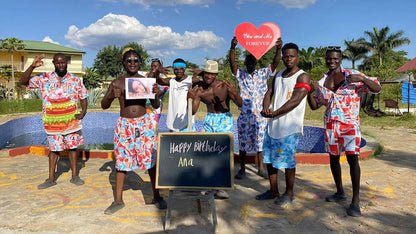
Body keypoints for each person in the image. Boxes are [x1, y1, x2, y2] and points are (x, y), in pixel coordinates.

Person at [307, 46, 381, 217]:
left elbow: (376, 88)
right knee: (333, 159)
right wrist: (311, 91)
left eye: (335, 59)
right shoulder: (322, 81)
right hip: (331, 124)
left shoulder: (352, 75)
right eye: (328, 59)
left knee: (352, 160)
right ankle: (340, 192)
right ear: (325, 60)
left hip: (349, 125)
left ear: (341, 59)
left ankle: (355, 201)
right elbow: (315, 106)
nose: (331, 61)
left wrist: (362, 79)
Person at [101, 48, 166, 215]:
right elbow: (104, 105)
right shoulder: (117, 82)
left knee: (151, 161)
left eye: (135, 60)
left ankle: (156, 196)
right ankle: (118, 200)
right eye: (129, 60)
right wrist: (111, 96)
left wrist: (156, 95)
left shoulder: (146, 81)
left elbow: (156, 105)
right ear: (123, 62)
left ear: (139, 63)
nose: (132, 63)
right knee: (121, 163)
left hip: (144, 124)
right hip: (125, 125)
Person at [20, 53, 88, 189]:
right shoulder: (44, 78)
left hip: (71, 122)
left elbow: (83, 96)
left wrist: (83, 112)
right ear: (54, 63)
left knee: (72, 148)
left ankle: (75, 176)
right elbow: (23, 82)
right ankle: (51, 179)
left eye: (63, 62)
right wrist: (32, 66)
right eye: (58, 63)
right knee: (54, 150)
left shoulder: (75, 80)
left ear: (66, 63)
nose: (60, 65)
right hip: (52, 123)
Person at [256, 43, 310, 205]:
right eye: (285, 56)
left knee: (287, 162)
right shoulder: (278, 75)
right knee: (269, 159)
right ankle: (273, 190)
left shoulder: (302, 76)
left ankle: (289, 192)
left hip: (289, 127)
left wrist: (274, 113)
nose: (288, 59)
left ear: (297, 57)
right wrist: (265, 108)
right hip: (273, 125)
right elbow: (269, 92)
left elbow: (296, 100)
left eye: (291, 56)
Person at [187, 60, 243, 199]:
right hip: (209, 119)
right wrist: (190, 99)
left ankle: (222, 187)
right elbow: (193, 111)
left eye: (212, 74)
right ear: (203, 73)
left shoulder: (224, 86)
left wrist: (235, 94)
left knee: (223, 153)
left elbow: (240, 104)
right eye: (207, 74)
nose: (209, 77)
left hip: (224, 119)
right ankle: (210, 183)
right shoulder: (200, 89)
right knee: (206, 151)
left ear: (216, 74)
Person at [229, 36, 283, 179]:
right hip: (245, 115)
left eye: (253, 61)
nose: (250, 64)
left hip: (260, 115)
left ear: (256, 62)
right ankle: (242, 170)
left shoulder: (262, 74)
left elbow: (275, 63)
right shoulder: (241, 75)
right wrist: (233, 48)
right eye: (248, 62)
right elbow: (232, 64)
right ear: (245, 63)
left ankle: (260, 168)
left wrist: (279, 49)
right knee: (243, 143)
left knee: (260, 143)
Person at [155, 58, 199, 132]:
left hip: (187, 120)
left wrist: (201, 73)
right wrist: (157, 71)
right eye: (176, 69)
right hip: (173, 120)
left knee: (187, 143)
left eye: (181, 69)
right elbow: (158, 80)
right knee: (174, 143)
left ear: (185, 69)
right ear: (173, 69)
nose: (179, 71)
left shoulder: (192, 80)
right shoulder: (171, 81)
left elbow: (206, 81)